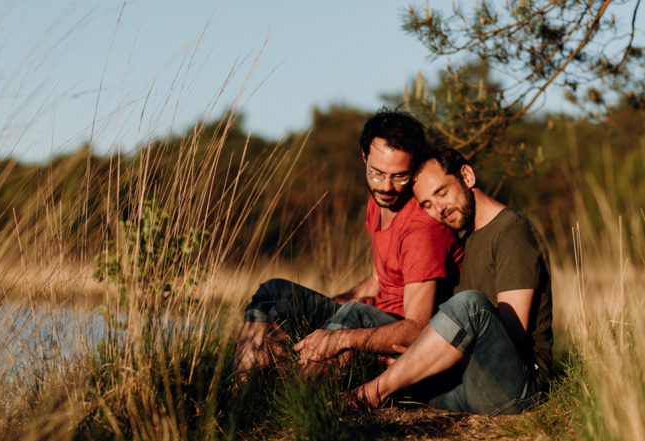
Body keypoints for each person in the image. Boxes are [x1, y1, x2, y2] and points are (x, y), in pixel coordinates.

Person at [234, 110, 463, 380]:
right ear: (364, 157)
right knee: (274, 292)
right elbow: (378, 281)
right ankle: (239, 391)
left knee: (356, 313)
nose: (386, 187)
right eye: (377, 173)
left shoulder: (421, 228)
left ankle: (297, 406)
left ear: (414, 170)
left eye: (400, 176)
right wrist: (319, 309)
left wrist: (342, 335)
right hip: (368, 315)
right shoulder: (378, 203)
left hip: (397, 341)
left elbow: (417, 327)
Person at [346, 145, 552, 415]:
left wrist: (424, 357)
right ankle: (306, 391)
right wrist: (417, 355)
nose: (438, 209)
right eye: (427, 205)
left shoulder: (512, 232)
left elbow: (512, 334)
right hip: (471, 382)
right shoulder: (466, 239)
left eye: (441, 192)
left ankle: (366, 396)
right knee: (361, 313)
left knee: (470, 305)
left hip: (517, 387)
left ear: (466, 176)